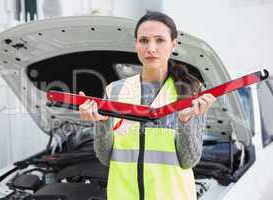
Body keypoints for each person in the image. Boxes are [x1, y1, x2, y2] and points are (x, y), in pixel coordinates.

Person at [78, 11, 216, 200]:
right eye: (144, 40)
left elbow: (189, 160)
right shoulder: (115, 91)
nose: (151, 48)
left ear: (173, 44)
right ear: (136, 44)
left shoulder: (191, 92)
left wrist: (185, 119)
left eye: (160, 40)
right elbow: (105, 158)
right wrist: (102, 122)